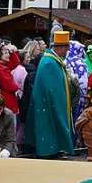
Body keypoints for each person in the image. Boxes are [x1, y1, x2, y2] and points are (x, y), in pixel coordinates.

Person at [25, 30, 74, 159]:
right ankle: (49, 151)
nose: (67, 51)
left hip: (49, 103)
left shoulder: (53, 61)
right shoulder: (49, 63)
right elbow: (51, 89)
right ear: (59, 47)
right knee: (48, 127)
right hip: (47, 104)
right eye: (65, 48)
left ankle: (55, 149)